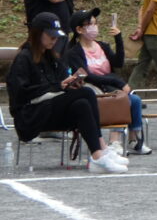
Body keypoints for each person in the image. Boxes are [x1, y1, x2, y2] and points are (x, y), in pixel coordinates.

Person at [5, 12, 127, 174]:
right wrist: (58, 87)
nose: (54, 40)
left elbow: (60, 84)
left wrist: (70, 84)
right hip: (31, 115)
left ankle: (97, 155)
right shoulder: (24, 58)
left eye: (56, 37)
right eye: (51, 36)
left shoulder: (52, 57)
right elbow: (21, 93)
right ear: (38, 33)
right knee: (87, 93)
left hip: (50, 109)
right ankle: (102, 148)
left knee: (82, 104)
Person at [65, 8, 149, 156]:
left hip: (109, 86)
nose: (94, 27)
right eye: (90, 24)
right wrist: (118, 83)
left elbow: (118, 63)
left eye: (95, 23)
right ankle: (114, 141)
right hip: (93, 88)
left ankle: (134, 138)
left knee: (135, 100)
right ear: (79, 29)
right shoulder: (73, 52)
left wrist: (118, 38)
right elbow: (88, 76)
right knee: (118, 100)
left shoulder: (102, 46)